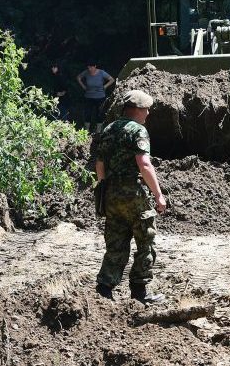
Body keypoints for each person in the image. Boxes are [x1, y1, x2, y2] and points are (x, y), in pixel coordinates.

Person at [95, 90, 167, 304]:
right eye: (146, 109)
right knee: (146, 241)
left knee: (116, 242)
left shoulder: (109, 129)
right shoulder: (138, 131)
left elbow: (100, 165)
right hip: (134, 195)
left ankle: (105, 290)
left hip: (111, 194)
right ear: (136, 110)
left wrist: (105, 187)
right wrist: (158, 195)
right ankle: (139, 293)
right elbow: (144, 164)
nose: (148, 113)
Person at [77, 62, 115, 133]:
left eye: (91, 67)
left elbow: (112, 79)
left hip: (100, 97)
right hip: (88, 96)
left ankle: (98, 132)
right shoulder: (86, 72)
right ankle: (86, 131)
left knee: (99, 114)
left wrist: (105, 86)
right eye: (88, 67)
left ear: (95, 66)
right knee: (88, 113)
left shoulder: (101, 73)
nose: (90, 69)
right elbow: (78, 77)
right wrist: (83, 86)